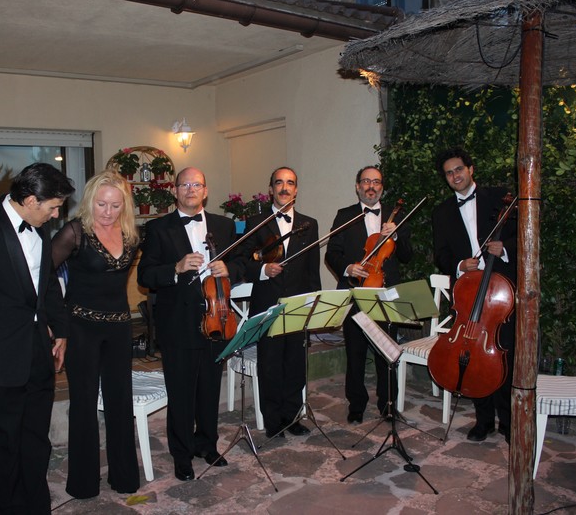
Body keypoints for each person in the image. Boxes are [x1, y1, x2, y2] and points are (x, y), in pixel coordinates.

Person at [0, 163, 73, 515]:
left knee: (37, 441)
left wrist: (61, 330)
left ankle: (37, 506)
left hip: (38, 353)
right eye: (53, 207)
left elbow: (47, 284)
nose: (56, 214)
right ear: (31, 200)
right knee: (6, 446)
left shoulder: (41, 227)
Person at [137, 167, 244, 482]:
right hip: (178, 322)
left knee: (210, 389)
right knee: (181, 393)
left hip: (218, 318)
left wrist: (230, 269)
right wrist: (176, 267)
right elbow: (145, 275)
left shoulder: (224, 226)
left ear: (205, 191)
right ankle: (182, 455)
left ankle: (207, 445)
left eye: (197, 184)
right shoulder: (158, 228)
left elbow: (242, 263)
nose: (190, 189)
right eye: (184, 185)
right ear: (175, 191)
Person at [50, 170, 140, 499]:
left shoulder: (131, 235)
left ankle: (124, 477)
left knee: (120, 402)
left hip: (119, 328)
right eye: (101, 204)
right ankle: (83, 484)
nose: (107, 212)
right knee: (84, 405)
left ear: (124, 206)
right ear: (90, 201)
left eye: (115, 205)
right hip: (81, 329)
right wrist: (57, 324)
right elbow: (41, 276)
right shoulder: (74, 232)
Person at [432, 147, 516, 444]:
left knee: (504, 355)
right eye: (449, 173)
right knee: (471, 353)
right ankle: (484, 420)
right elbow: (440, 254)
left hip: (500, 292)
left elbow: (523, 233)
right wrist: (458, 265)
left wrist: (504, 248)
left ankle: (508, 420)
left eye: (459, 169)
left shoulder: (500, 197)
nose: (455, 176)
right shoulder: (442, 212)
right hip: (468, 292)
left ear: (471, 169)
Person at [237, 167, 320, 438]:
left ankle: (292, 417)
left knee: (295, 364)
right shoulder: (256, 222)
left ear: (296, 189)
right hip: (267, 304)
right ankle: (273, 421)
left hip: (297, 304)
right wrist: (263, 270)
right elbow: (242, 261)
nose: (285, 188)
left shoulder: (309, 224)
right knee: (271, 365)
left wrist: (313, 304)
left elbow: (312, 269)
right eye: (279, 183)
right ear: (271, 189)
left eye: (290, 183)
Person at [325, 166, 413, 424]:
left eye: (376, 182)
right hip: (356, 291)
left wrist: (396, 234)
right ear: (357, 186)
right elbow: (332, 253)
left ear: (381, 187)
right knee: (355, 352)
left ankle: (388, 404)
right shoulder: (345, 215)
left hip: (386, 292)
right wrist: (348, 268)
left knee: (387, 351)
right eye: (366, 181)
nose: (371, 186)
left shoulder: (396, 216)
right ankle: (356, 405)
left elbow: (407, 256)